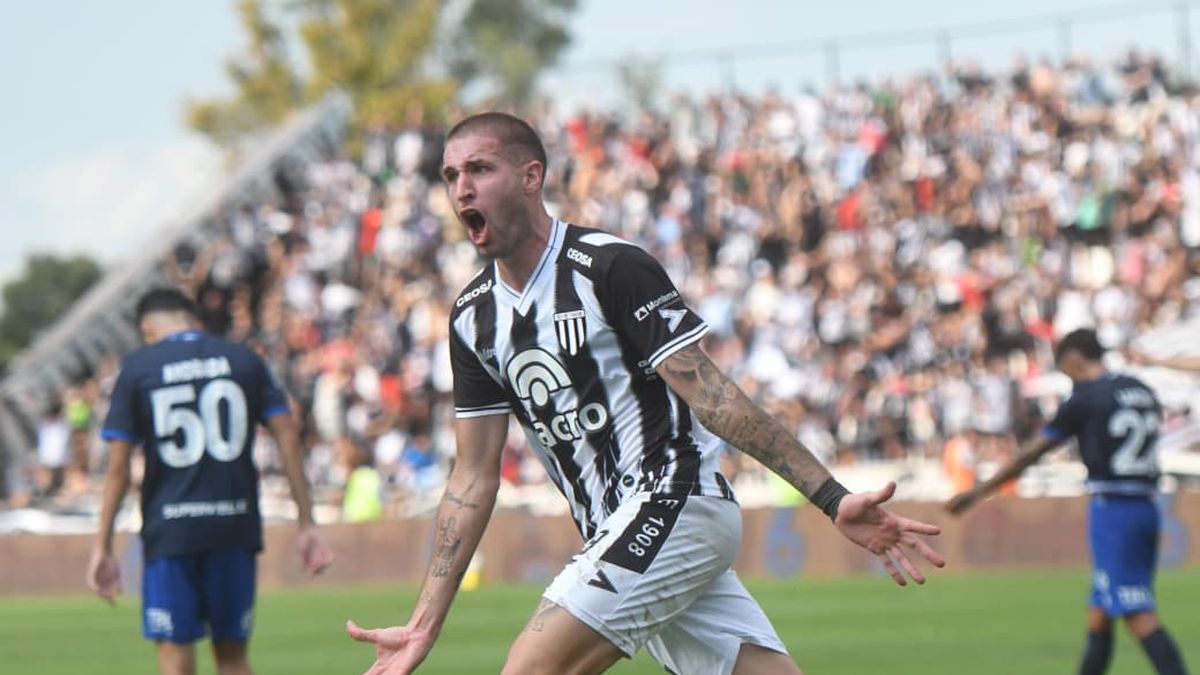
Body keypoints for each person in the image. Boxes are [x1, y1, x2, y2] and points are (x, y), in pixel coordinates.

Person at [347, 111, 945, 675]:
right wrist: (424, 624)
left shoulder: (607, 266)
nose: (461, 190)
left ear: (532, 177)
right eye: (451, 176)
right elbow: (472, 477)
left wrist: (830, 496)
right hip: (620, 529)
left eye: (479, 169)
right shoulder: (473, 317)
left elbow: (713, 397)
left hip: (675, 500)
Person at [87, 288, 334, 675]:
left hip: (170, 530)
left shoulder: (139, 367)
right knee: (233, 658)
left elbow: (118, 467)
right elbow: (287, 434)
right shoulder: (244, 359)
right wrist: (306, 521)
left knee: (175, 660)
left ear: (148, 327)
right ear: (192, 319)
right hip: (233, 525)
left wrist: (102, 546)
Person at [947, 328, 1190, 675]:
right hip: (1146, 505)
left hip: (1114, 509)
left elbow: (1031, 453)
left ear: (1074, 360)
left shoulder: (1086, 399)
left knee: (1137, 613)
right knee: (1100, 614)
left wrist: (979, 490)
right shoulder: (1142, 390)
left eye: (1065, 372)